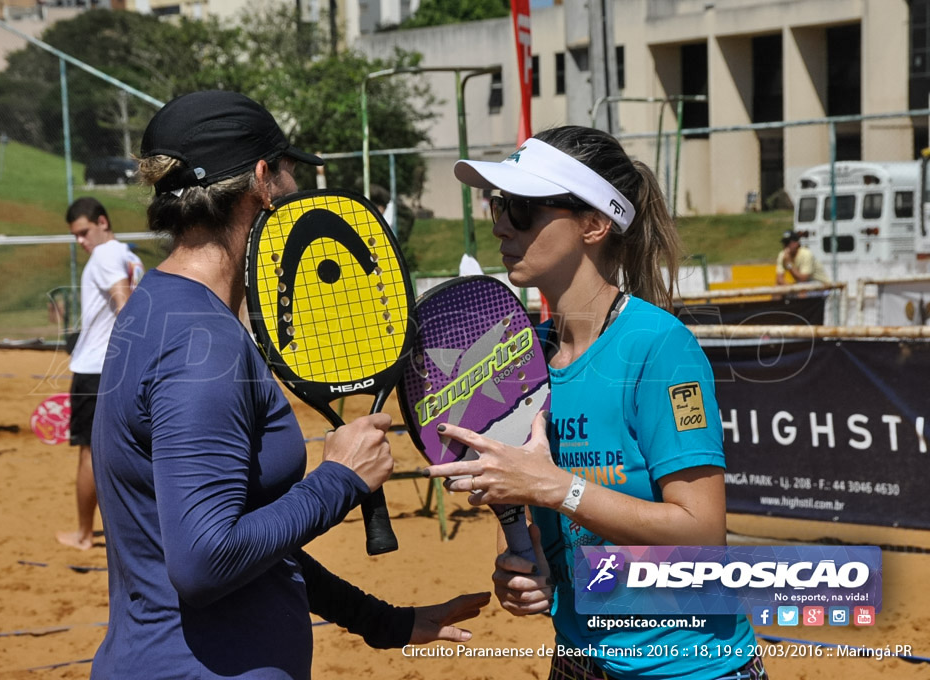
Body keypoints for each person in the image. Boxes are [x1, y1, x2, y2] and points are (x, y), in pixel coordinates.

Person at [89, 90, 489, 679]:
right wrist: (339, 480)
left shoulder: (158, 307)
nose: (297, 190)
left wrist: (381, 621)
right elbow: (205, 560)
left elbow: (252, 540)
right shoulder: (200, 343)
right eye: (289, 172)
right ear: (261, 179)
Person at [425, 127, 768, 680]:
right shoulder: (521, 358)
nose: (500, 224)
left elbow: (703, 534)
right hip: (579, 660)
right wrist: (526, 570)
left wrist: (555, 487)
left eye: (521, 207)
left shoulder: (659, 347)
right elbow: (529, 508)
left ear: (594, 223)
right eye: (497, 205)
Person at [56, 196, 143, 551]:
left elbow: (123, 305)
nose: (80, 241)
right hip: (121, 369)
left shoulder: (105, 255)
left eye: (83, 232)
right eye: (75, 235)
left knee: (90, 454)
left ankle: (82, 534)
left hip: (96, 369)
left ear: (102, 222)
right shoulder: (130, 256)